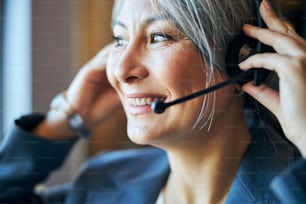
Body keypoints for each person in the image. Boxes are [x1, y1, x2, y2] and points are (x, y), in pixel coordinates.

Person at [0, 0, 305, 203]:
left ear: (243, 58)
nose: (120, 70)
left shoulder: (293, 190)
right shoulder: (102, 182)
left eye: (159, 36)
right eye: (119, 40)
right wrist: (65, 118)